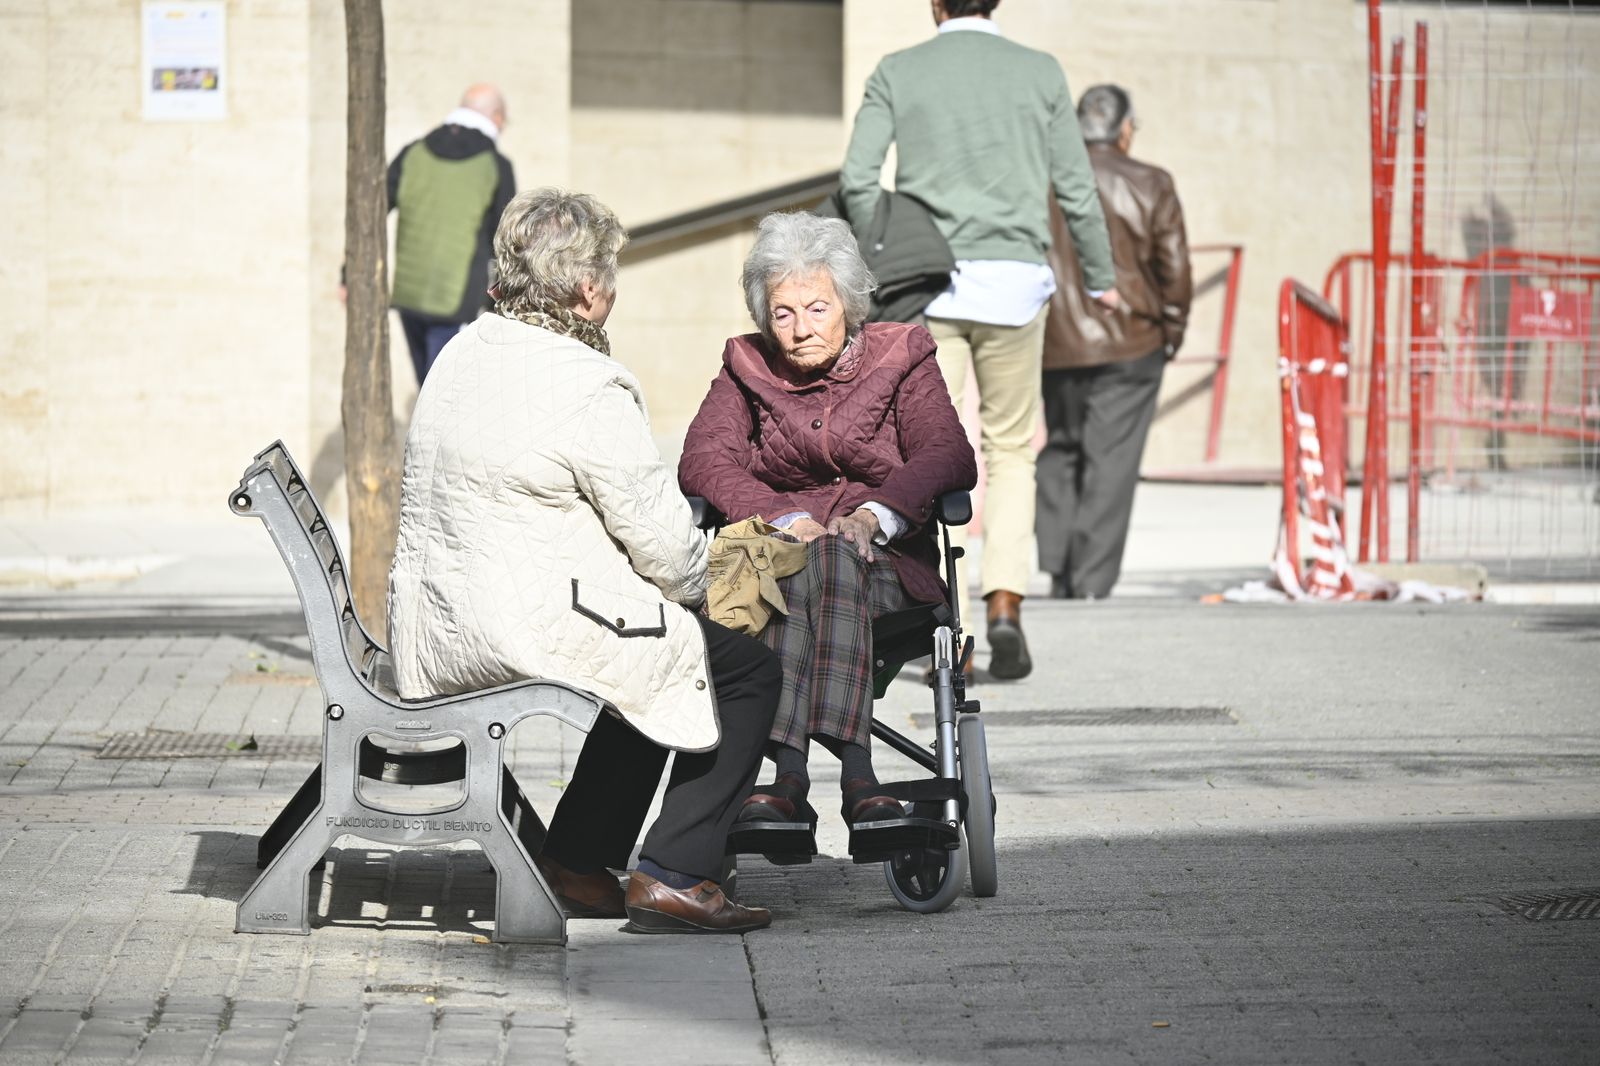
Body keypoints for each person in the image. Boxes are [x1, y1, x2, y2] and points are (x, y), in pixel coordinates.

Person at [386, 188, 779, 935]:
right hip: (516, 623)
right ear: (590, 289)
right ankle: (675, 873)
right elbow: (666, 546)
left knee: (650, 643)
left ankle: (574, 860)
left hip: (439, 613)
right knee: (739, 665)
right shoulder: (586, 383)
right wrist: (708, 585)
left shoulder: (462, 351)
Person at [840, 0, 1120, 680]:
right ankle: (1005, 603)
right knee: (1012, 447)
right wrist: (1101, 273)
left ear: (934, 4)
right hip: (1017, 286)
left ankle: (950, 631)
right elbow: (1075, 188)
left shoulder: (899, 70)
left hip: (929, 288)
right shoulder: (1040, 71)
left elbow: (857, 180)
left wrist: (886, 255)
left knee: (931, 449)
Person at [678, 212, 977, 834]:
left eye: (817, 309)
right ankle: (858, 778)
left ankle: (789, 778)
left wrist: (875, 515)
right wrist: (784, 517)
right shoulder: (746, 366)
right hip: (782, 565)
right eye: (783, 313)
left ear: (848, 305)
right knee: (812, 560)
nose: (800, 329)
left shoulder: (902, 355)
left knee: (837, 552)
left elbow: (947, 453)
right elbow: (703, 459)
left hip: (888, 566)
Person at [1036, 84, 1193, 601]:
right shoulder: (1151, 181)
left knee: (1062, 449)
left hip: (1055, 341)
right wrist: (1172, 330)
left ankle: (1059, 570)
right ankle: (1091, 582)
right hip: (1131, 341)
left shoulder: (1045, 179)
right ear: (1124, 129)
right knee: (1111, 461)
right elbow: (1173, 267)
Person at [387, 84, 517, 385]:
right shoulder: (496, 165)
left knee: (427, 384)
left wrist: (347, 274)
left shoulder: (413, 152)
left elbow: (371, 206)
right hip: (457, 301)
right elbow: (507, 239)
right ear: (496, 117)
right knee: (446, 393)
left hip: (409, 292)